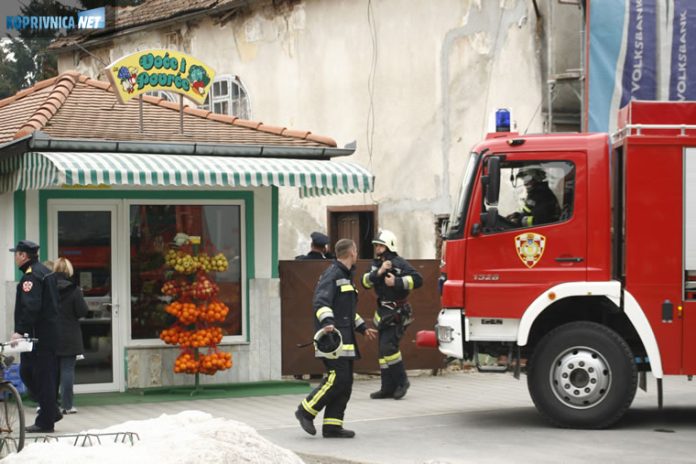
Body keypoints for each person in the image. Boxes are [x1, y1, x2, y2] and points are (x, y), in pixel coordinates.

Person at [295, 239, 377, 438]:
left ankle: (332, 425)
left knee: (345, 382)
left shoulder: (346, 276)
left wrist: (363, 328)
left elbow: (346, 312)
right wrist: (327, 322)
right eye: (356, 251)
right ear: (352, 252)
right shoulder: (333, 274)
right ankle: (305, 410)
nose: (357, 255)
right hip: (332, 340)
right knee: (336, 378)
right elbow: (320, 302)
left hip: (345, 340)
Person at [361, 230, 422, 400]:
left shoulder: (399, 263)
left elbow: (418, 279)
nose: (377, 248)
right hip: (383, 312)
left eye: (380, 245)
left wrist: (397, 281)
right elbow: (365, 282)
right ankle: (387, 388)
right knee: (382, 352)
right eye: (376, 245)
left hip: (398, 312)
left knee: (389, 348)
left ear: (389, 246)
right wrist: (379, 271)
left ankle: (402, 382)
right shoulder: (376, 264)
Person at [10, 240, 62, 433]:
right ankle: (51, 410)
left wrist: (20, 331)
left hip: (38, 337)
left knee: (39, 376)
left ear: (24, 256)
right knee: (33, 373)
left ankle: (45, 421)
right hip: (47, 334)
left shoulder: (31, 277)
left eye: (16, 254)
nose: (15, 257)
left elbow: (31, 307)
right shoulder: (44, 272)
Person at [53, 257, 88, 415]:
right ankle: (67, 406)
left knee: (51, 371)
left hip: (50, 334)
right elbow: (82, 311)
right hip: (70, 335)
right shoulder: (74, 290)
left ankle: (47, 404)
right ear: (69, 271)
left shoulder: (48, 288)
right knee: (67, 370)